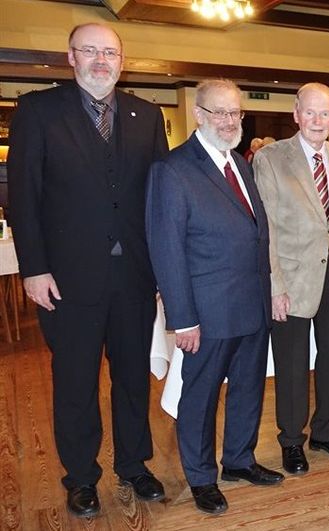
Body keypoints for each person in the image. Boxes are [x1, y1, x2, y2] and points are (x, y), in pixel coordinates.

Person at [8, 22, 168, 518]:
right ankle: (80, 476)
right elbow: (23, 197)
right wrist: (33, 268)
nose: (102, 61)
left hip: (135, 277)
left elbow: (160, 199)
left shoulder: (147, 114)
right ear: (70, 57)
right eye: (91, 52)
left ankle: (134, 465)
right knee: (75, 380)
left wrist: (164, 270)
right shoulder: (38, 111)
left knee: (132, 379)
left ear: (123, 61)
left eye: (111, 53)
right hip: (69, 277)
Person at [146, 79, 283, 515]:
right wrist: (182, 318)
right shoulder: (172, 169)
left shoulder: (241, 164)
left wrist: (272, 293)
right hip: (207, 313)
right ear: (199, 115)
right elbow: (165, 248)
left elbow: (255, 236)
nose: (228, 121)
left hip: (253, 305)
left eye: (235, 113)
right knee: (200, 398)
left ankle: (239, 460)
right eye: (219, 113)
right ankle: (201, 477)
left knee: (248, 390)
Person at [253, 83, 329, 476]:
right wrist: (274, 286)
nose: (318, 120)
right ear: (296, 114)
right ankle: (291, 441)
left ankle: (327, 432)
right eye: (310, 112)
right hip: (292, 279)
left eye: (326, 113)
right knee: (292, 364)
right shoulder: (271, 158)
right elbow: (266, 230)